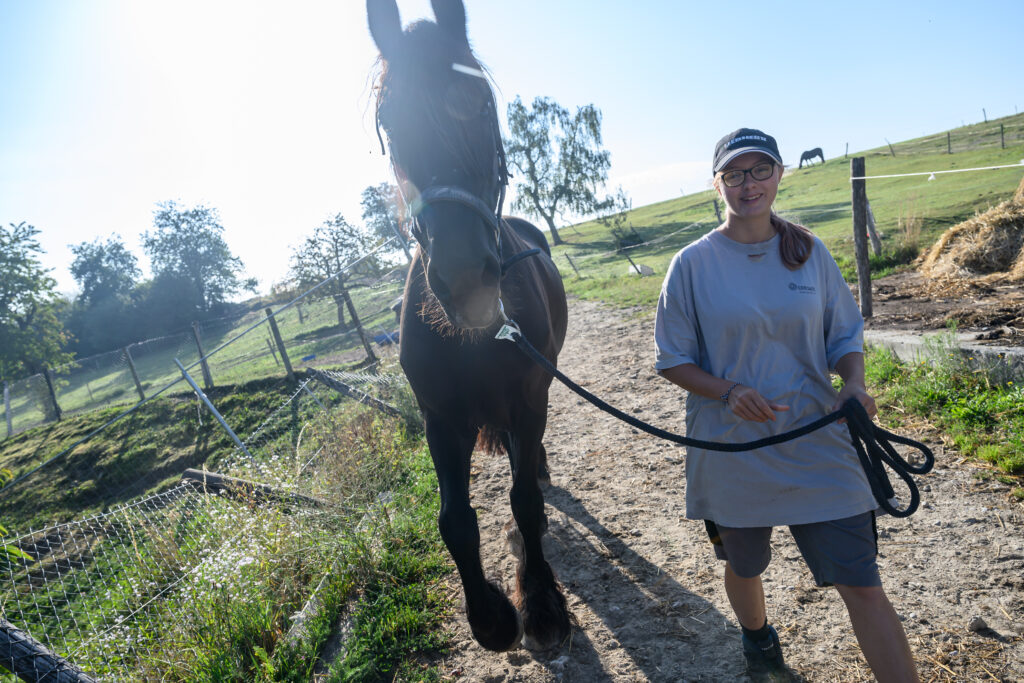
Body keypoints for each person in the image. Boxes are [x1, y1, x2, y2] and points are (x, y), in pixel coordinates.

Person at [654, 128, 919, 681]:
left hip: (816, 438)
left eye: (759, 170)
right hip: (731, 446)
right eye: (734, 173)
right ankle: (758, 639)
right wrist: (727, 391)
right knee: (744, 564)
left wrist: (852, 381)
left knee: (863, 583)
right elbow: (672, 359)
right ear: (717, 182)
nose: (748, 184)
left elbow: (844, 335)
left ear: (779, 175)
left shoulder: (809, 251)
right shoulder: (691, 265)